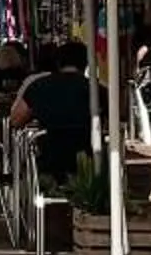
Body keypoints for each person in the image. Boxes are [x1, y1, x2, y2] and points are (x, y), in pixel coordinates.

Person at [13, 39, 94, 181]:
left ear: (58, 63)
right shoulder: (95, 89)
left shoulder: (38, 86)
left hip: (48, 157)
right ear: (86, 63)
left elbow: (16, 119)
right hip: (87, 159)